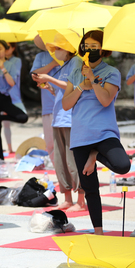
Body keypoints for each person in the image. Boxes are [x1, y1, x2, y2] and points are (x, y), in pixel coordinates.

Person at [61, 30, 130, 235]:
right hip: (81, 136)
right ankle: (98, 232)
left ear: (103, 48)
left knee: (122, 165)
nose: (90, 50)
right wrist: (82, 86)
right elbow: (66, 104)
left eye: (95, 46)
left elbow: (106, 99)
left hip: (104, 132)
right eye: (87, 46)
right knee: (90, 188)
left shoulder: (111, 72)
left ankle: (96, 154)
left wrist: (93, 79)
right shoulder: (75, 73)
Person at [32, 33, 85, 212]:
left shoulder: (77, 62)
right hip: (59, 117)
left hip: (70, 118)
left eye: (58, 48)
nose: (55, 52)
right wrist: (50, 88)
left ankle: (81, 200)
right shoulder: (64, 65)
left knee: (73, 161)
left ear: (68, 48)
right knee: (60, 161)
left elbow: (74, 87)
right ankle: (68, 198)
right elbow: (62, 91)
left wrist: (49, 79)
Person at [30, 35, 59, 161]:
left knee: (67, 144)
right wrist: (53, 63)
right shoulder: (41, 56)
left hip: (67, 105)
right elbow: (35, 74)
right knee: (50, 143)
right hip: (48, 105)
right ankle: (59, 175)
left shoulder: (68, 56)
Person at [2, 42, 25, 155]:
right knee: (5, 123)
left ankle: (23, 146)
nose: (5, 50)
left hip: (15, 96)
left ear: (13, 48)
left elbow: (12, 78)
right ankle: (9, 148)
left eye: (7, 47)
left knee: (23, 117)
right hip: (4, 96)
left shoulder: (17, 61)